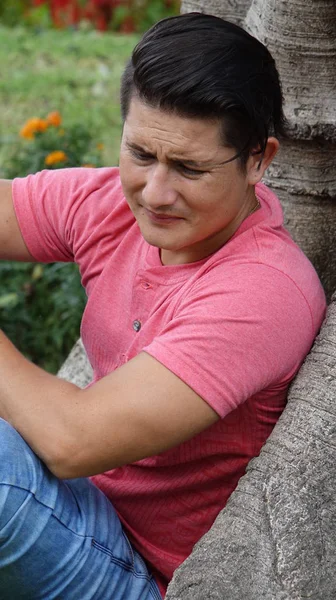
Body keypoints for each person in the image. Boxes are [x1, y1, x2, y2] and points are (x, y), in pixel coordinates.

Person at [0, 12, 326, 600]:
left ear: (258, 159)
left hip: (136, 570)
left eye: (189, 168)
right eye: (141, 154)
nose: (155, 193)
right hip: (77, 507)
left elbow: (74, 442)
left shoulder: (263, 290)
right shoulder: (113, 204)